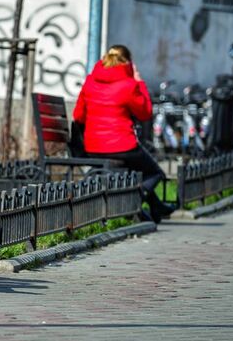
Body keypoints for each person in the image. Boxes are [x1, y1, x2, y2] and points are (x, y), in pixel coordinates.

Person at [73, 45, 175, 223]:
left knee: (133, 170)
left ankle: (156, 207)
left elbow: (78, 116)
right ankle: (133, 203)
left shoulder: (90, 82)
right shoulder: (128, 85)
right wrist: (139, 81)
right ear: (128, 62)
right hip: (122, 147)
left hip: (93, 147)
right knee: (154, 173)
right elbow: (145, 113)